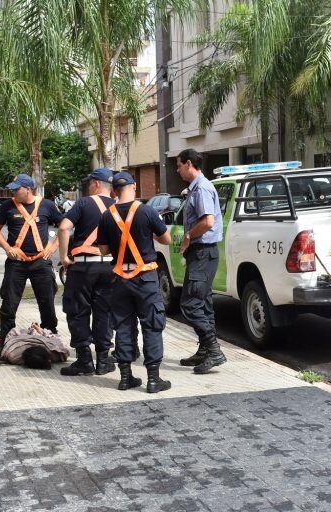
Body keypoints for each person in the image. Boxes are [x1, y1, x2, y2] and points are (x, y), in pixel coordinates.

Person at [96, 172, 172, 393]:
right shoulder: (147, 211)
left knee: (123, 327)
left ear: (114, 191)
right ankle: (154, 380)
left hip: (120, 278)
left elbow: (103, 250)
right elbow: (165, 239)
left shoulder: (106, 216)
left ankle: (126, 378)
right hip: (145, 278)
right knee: (151, 325)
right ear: (134, 186)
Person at [0, 173, 63, 355]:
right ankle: (4, 346)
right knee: (8, 305)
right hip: (17, 263)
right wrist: (7, 248)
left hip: (41, 263)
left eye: (17, 189)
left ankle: (51, 342)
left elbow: (64, 226)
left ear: (28, 189)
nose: (13, 192)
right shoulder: (8, 206)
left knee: (47, 304)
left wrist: (53, 247)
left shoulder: (46, 205)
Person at [58, 168, 117, 377]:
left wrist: (64, 257)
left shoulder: (83, 203)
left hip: (83, 267)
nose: (88, 186)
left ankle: (84, 360)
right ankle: (103, 360)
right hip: (110, 267)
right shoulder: (118, 206)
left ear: (98, 184)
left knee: (78, 310)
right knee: (104, 312)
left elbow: (64, 228)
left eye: (90, 182)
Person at [175, 148, 227, 374]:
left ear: (188, 164)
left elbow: (207, 221)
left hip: (203, 252)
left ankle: (214, 350)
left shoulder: (202, 188)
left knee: (190, 303)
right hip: (201, 254)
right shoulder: (196, 189)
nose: (177, 171)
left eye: (178, 166)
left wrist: (188, 236)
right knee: (203, 304)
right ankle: (206, 350)